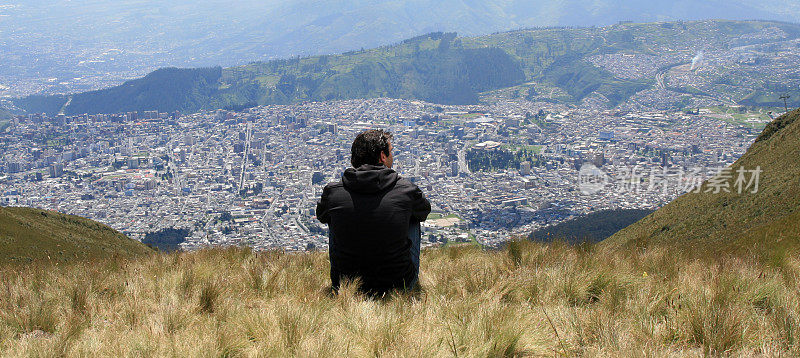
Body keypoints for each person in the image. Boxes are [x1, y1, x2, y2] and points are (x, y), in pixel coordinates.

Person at [316, 129, 431, 295]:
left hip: (345, 283)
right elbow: (424, 212)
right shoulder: (406, 190)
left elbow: (321, 216)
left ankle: (345, 274)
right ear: (382, 156)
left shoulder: (333, 192)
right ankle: (401, 273)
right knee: (412, 216)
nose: (392, 156)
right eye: (391, 152)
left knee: (334, 215)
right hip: (399, 284)